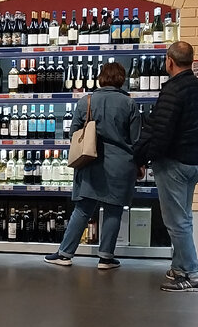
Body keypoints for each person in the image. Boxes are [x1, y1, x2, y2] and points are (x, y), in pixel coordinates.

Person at [133, 41, 198, 292]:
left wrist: (141, 159)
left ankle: (192, 275)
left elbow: (159, 132)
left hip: (174, 165)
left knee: (177, 222)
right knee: (185, 218)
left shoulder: (172, 91)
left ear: (169, 61)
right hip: (196, 163)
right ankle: (179, 267)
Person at [45, 61, 141, 270]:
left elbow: (74, 133)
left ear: (101, 78)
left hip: (90, 162)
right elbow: (136, 139)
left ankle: (65, 254)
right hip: (120, 165)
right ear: (121, 79)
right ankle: (106, 258)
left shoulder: (86, 101)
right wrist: (140, 165)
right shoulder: (129, 104)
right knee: (113, 211)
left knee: (82, 209)